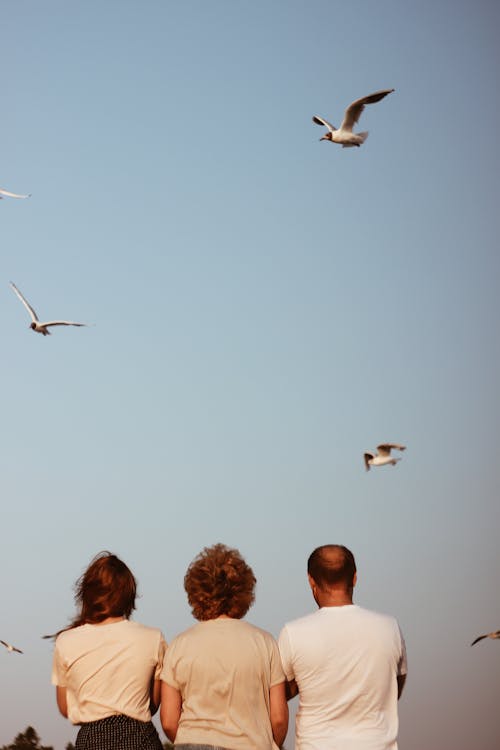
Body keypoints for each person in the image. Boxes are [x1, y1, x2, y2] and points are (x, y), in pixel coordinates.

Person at [160, 543, 288, 750]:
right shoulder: (264, 642)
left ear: (196, 592)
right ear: (243, 591)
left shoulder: (179, 645)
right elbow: (279, 719)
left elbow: (167, 720)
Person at [278, 544, 407, 750]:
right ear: (355, 578)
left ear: (311, 580)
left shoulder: (293, 633)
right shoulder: (389, 627)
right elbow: (395, 688)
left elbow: (278, 694)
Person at [51, 551, 167, 750]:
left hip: (91, 740)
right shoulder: (153, 638)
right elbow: (153, 703)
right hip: (141, 739)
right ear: (128, 594)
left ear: (88, 593)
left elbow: (66, 707)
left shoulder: (66, 641)